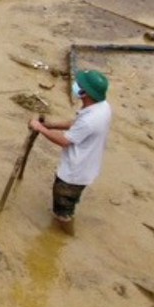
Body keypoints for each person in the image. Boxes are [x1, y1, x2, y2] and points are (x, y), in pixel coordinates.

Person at [28, 69, 113, 234]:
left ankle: (65, 235)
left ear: (85, 93)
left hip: (74, 173)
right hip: (87, 167)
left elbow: (64, 141)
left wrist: (40, 128)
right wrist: (51, 125)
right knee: (68, 202)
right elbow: (77, 123)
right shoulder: (102, 107)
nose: (75, 86)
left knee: (63, 211)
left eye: (79, 85)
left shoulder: (90, 120)